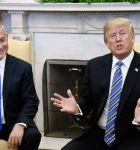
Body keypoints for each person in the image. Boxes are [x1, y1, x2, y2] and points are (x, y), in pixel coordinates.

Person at [51, 17, 140, 150]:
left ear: (132, 37)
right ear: (106, 43)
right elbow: (86, 100)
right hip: (98, 134)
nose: (118, 39)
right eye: (112, 35)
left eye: (123, 33)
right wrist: (77, 109)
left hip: (133, 135)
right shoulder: (95, 65)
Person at [0, 22, 41, 150]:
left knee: (33, 135)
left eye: (2, 40)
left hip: (12, 123)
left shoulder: (22, 68)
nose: (0, 46)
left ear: (7, 38)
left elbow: (31, 100)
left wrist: (20, 124)